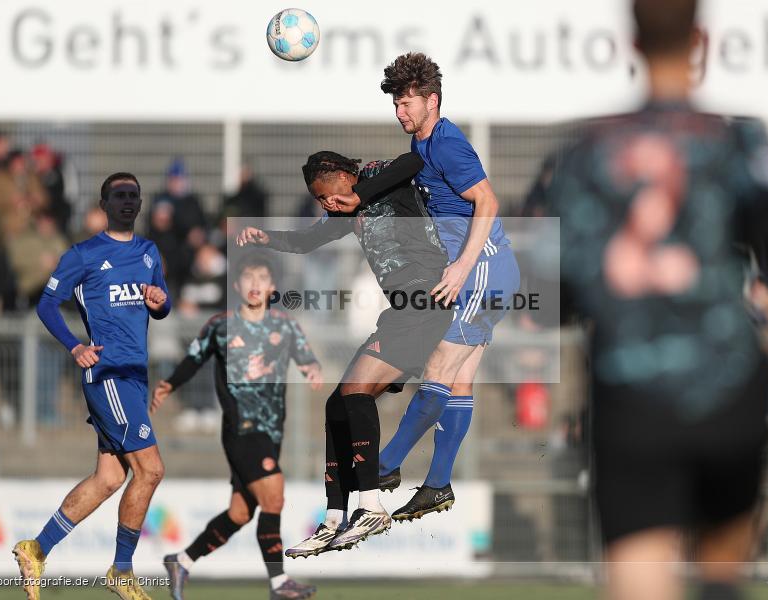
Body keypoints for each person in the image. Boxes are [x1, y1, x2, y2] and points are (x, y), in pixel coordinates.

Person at [548, 2, 768, 599]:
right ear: (701, 39)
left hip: (629, 386)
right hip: (726, 382)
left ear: (631, 42)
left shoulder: (589, 148)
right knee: (720, 575)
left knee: (642, 576)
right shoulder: (734, 140)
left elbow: (560, 283)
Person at [330, 52, 521, 520]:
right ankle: (437, 484)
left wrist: (461, 267)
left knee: (437, 365)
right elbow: (404, 175)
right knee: (458, 378)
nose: (400, 112)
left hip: (481, 269)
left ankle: (385, 467)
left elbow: (488, 202)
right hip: (487, 270)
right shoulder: (423, 145)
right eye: (396, 104)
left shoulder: (447, 144)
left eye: (407, 103)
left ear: (432, 100)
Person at [237, 151, 452, 554]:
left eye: (328, 195)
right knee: (336, 405)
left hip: (427, 299)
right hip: (403, 311)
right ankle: (334, 517)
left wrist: (359, 194)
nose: (327, 204)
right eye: (319, 201)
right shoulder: (344, 212)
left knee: (354, 391)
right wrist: (268, 238)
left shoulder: (376, 176)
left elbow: (414, 162)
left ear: (342, 175)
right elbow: (305, 241)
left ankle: (371, 506)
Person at [13, 172, 171, 600]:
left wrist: (161, 304)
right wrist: (73, 346)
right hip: (108, 375)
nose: (127, 201)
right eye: (118, 195)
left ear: (140, 203)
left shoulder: (148, 252)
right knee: (151, 469)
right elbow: (45, 304)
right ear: (104, 204)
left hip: (135, 377)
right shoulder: (84, 254)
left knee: (108, 478)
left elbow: (162, 302)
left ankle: (36, 548)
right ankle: (121, 570)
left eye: (133, 195)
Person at [156, 252, 319, 600]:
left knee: (241, 512)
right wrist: (169, 384)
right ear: (237, 285)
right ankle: (279, 584)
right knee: (274, 494)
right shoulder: (220, 326)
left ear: (272, 287)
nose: (255, 284)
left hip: (272, 431)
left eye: (262, 278)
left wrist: (313, 370)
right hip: (241, 428)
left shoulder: (285, 326)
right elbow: (193, 359)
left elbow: (307, 358)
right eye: (249, 277)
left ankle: (181, 560)